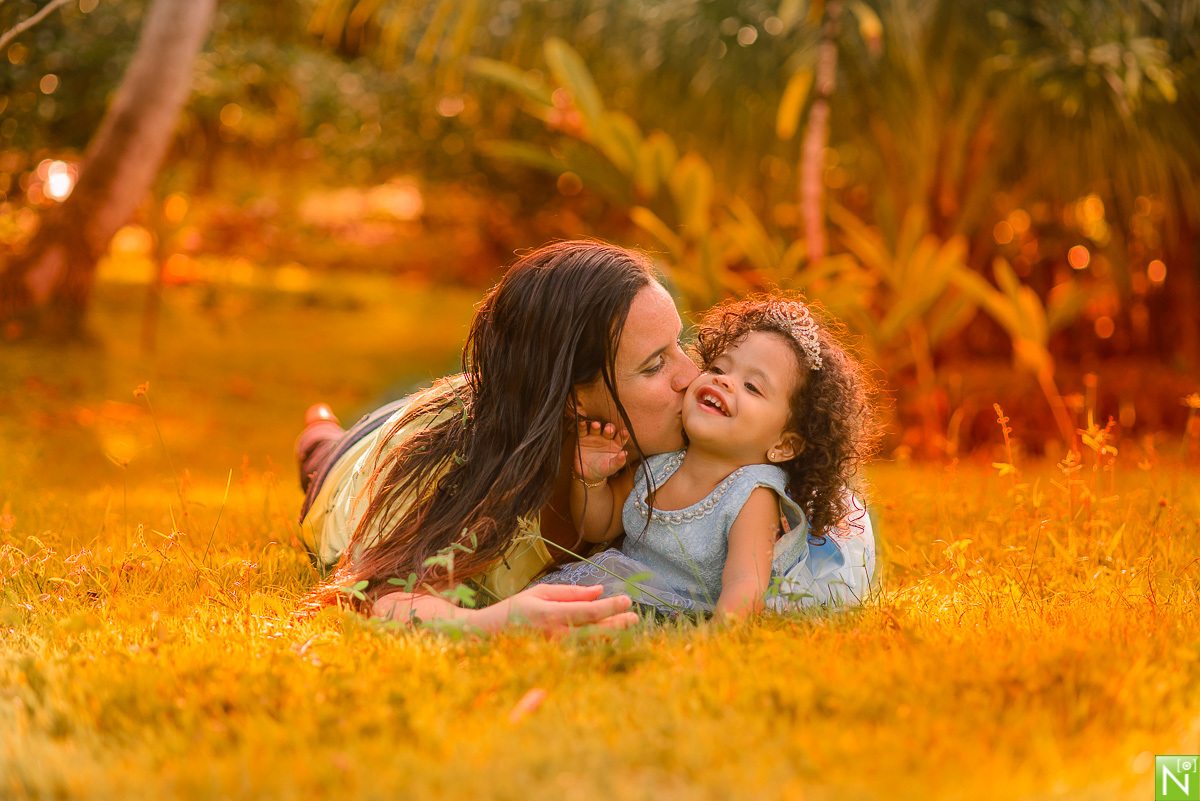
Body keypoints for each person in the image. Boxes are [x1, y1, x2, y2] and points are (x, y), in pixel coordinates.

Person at [294, 241, 699, 633]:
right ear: (574, 397)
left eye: (679, 345)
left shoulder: (668, 437)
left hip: (496, 397)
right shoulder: (459, 475)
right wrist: (494, 623)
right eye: (654, 365)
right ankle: (319, 429)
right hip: (357, 463)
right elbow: (383, 599)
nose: (692, 376)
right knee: (321, 448)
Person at [537, 296, 878, 617]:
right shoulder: (658, 464)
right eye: (718, 368)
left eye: (752, 387)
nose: (725, 382)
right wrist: (591, 480)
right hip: (625, 588)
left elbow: (746, 581)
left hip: (684, 608)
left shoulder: (752, 494)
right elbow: (600, 526)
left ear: (784, 445)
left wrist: (721, 631)